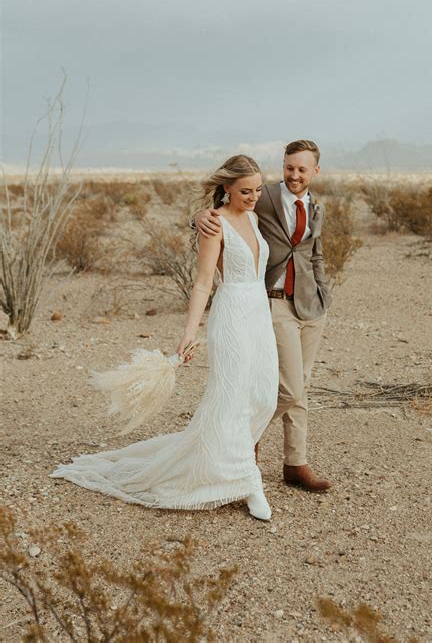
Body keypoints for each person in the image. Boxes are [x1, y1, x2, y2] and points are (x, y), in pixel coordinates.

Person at [51, 155, 279, 521]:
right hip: (232, 315)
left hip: (259, 315)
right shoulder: (215, 224)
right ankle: (248, 481)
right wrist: (189, 332)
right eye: (245, 191)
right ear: (226, 189)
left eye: (257, 190)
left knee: (264, 395)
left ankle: (227, 466)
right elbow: (204, 282)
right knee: (231, 396)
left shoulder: (252, 218)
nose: (254, 197)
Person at [196, 140, 332, 492]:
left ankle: (295, 463)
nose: (295, 175)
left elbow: (315, 253)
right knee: (289, 388)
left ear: (315, 171)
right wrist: (198, 216)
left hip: (311, 305)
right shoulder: (264, 196)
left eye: (302, 169)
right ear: (283, 166)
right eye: (289, 167)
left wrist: (323, 293)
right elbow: (225, 211)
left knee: (300, 387)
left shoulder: (317, 206)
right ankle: (244, 438)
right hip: (273, 301)